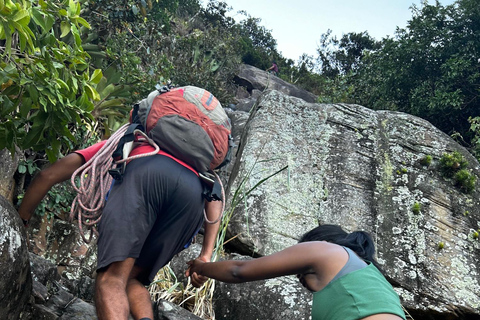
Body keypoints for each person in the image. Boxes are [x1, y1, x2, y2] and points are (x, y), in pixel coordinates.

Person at [18, 139, 222, 320]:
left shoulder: (127, 142)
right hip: (192, 198)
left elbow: (48, 174)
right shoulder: (199, 165)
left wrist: (21, 221)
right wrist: (205, 255)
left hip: (148, 175)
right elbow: (216, 197)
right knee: (132, 279)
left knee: (111, 278)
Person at [186, 224, 406, 320]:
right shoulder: (376, 284)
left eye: (299, 269)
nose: (298, 276)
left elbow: (238, 271)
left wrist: (200, 266)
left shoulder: (325, 250)